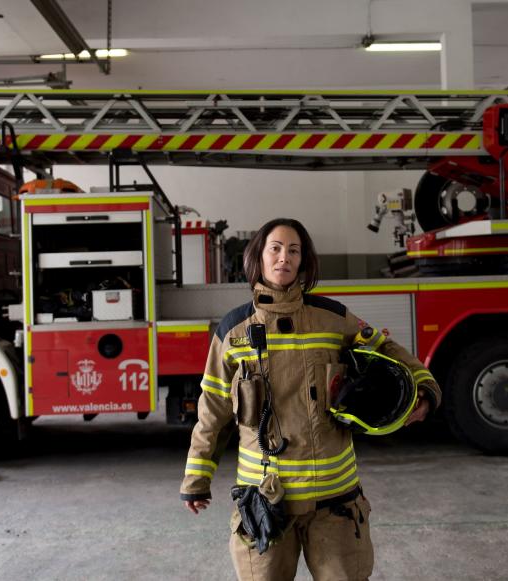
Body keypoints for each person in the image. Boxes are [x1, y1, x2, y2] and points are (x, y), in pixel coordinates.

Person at [180, 218, 441, 581]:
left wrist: (424, 391)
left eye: (293, 250)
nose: (283, 257)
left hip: (334, 503)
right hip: (265, 504)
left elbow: (387, 350)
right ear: (258, 256)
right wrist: (197, 477)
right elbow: (213, 411)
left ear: (304, 261)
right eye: (275, 248)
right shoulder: (233, 331)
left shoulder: (332, 319)